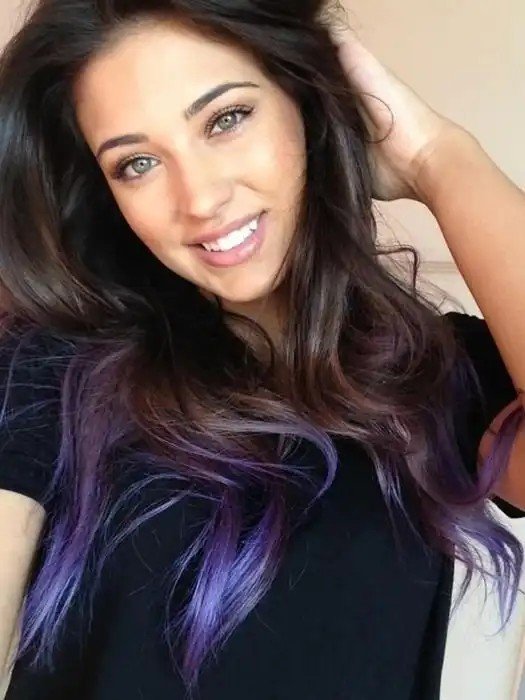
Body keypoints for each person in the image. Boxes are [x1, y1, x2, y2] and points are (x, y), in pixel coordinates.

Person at [0, 0, 523, 698]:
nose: (200, 199)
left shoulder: (435, 374)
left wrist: (437, 157)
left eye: (226, 119)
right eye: (138, 163)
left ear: (303, 101)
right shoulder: (49, 371)